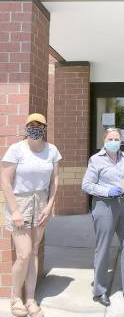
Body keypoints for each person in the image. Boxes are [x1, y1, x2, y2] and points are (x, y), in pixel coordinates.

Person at [0, 113, 61, 317]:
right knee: (24, 253)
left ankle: (31, 298)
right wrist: (15, 210)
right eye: (32, 125)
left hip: (41, 202)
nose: (36, 128)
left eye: (40, 125)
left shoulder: (52, 150)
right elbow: (5, 181)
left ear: (45, 128)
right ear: (26, 128)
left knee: (34, 251)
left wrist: (49, 205)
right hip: (20, 202)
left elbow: (55, 181)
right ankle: (15, 297)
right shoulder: (16, 149)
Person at [82, 127, 124, 307]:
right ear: (104, 141)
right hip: (104, 206)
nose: (114, 141)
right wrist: (107, 191)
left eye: (117, 138)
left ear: (121, 140)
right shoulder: (96, 160)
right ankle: (100, 291)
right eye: (111, 139)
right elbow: (87, 185)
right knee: (103, 249)